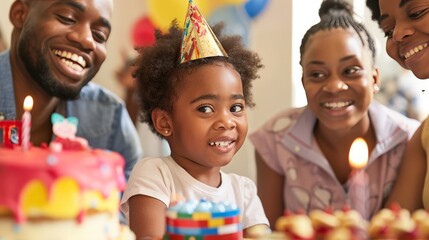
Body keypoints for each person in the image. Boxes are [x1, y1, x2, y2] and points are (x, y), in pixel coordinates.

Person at [250, 0, 420, 228]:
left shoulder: (408, 139)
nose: (334, 86)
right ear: (304, 82)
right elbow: (266, 231)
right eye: (317, 74)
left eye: (350, 71)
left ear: (375, 79)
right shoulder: (275, 139)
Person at [119, 1, 269, 238]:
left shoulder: (244, 191)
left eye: (236, 107)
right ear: (165, 122)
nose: (226, 121)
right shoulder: (155, 175)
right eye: (206, 108)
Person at [0, 0, 142, 180]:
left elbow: (133, 203)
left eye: (99, 35)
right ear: (20, 14)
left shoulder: (109, 117)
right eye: (67, 18)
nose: (87, 40)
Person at [367, 0, 429, 211]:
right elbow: (390, 228)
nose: (397, 34)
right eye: (388, 30)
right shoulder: (423, 139)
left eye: (417, 13)